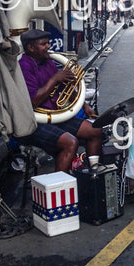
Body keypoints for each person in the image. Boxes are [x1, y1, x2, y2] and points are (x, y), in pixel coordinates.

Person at [17, 29, 103, 173]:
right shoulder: (23, 66)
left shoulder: (48, 62)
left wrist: (85, 105)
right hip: (34, 122)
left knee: (95, 131)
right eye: (43, 44)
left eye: (48, 43)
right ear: (31, 48)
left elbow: (65, 86)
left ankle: (92, 174)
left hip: (55, 116)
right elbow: (33, 101)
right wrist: (54, 79)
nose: (48, 47)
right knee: (70, 142)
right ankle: (59, 188)